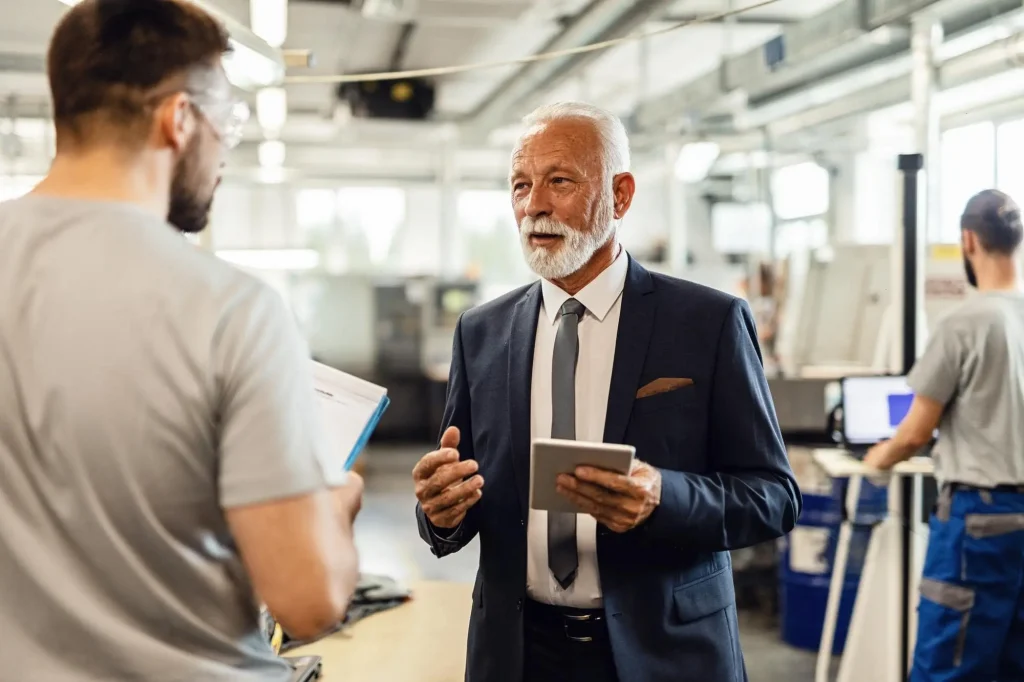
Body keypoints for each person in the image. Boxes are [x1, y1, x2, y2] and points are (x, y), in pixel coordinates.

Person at [0, 2, 362, 680]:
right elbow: (307, 598)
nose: (226, 146)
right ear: (180, 120)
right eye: (229, 120)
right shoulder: (233, 312)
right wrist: (335, 504)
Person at [411, 102, 802, 682]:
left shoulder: (707, 322)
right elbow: (464, 495)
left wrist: (662, 496)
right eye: (520, 185)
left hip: (663, 653)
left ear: (620, 196)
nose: (533, 205)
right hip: (519, 654)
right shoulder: (482, 333)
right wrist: (440, 512)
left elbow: (773, 496)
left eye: (559, 181)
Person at [865, 189, 1024, 681]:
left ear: (968, 240)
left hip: (978, 525)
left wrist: (877, 461)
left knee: (947, 666)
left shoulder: (966, 322)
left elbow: (915, 432)